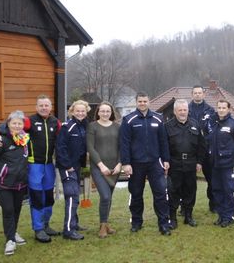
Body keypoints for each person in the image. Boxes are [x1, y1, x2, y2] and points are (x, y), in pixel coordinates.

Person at [0, 95, 61, 243]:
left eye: (46, 105)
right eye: (41, 105)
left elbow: (64, 136)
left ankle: (46, 224)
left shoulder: (56, 122)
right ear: (36, 107)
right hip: (34, 165)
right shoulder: (30, 121)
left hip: (49, 165)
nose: (44, 108)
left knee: (49, 197)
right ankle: (38, 229)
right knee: (36, 197)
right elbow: (10, 125)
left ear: (50, 107)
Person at [120, 92, 172, 235]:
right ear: (136, 102)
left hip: (155, 163)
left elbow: (163, 141)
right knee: (136, 194)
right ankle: (136, 222)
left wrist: (166, 159)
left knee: (161, 193)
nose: (142, 103)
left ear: (149, 102)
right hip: (136, 164)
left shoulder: (158, 118)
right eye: (140, 101)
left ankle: (163, 224)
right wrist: (126, 163)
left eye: (145, 101)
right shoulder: (128, 120)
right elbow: (124, 143)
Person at [0, 110, 30, 256]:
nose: (16, 126)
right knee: (8, 210)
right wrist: (1, 171)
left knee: (16, 209)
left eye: (19, 123)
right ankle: (10, 241)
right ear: (8, 124)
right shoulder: (1, 140)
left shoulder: (24, 139)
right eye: (14, 123)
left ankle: (13, 233)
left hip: (20, 183)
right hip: (3, 183)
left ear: (23, 125)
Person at [165, 99, 205, 229]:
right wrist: (166, 162)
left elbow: (201, 145)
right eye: (180, 110)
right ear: (175, 111)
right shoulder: (167, 126)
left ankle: (188, 216)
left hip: (191, 163)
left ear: (188, 110)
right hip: (174, 163)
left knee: (190, 190)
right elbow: (164, 147)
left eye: (185, 110)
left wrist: (199, 162)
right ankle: (173, 218)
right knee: (173, 191)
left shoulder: (195, 124)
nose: (183, 112)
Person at [206, 99, 234, 227]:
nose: (221, 110)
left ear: (228, 109)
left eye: (224, 108)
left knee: (228, 190)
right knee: (217, 190)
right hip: (215, 163)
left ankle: (229, 216)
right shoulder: (213, 122)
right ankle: (221, 215)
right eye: (219, 107)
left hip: (229, 163)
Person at [55, 100, 90, 240]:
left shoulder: (85, 126)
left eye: (83, 111)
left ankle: (74, 224)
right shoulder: (67, 126)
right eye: (77, 111)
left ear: (86, 112)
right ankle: (68, 230)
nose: (80, 113)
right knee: (72, 196)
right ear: (72, 112)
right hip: (67, 166)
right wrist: (67, 165)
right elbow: (60, 147)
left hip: (77, 166)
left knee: (75, 195)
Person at [87, 102, 121, 238]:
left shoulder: (118, 127)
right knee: (105, 196)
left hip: (114, 168)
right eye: (103, 111)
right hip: (99, 167)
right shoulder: (92, 126)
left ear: (111, 113)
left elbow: (121, 147)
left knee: (109, 197)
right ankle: (102, 226)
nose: (105, 113)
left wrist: (119, 164)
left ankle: (106, 224)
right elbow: (90, 147)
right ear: (98, 112)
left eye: (108, 111)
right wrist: (101, 165)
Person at [188, 85, 216, 212]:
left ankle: (213, 203)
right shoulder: (186, 109)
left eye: (200, 93)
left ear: (204, 94)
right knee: (188, 181)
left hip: (207, 150)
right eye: (195, 93)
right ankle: (186, 206)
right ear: (192, 94)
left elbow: (214, 130)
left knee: (211, 178)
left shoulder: (210, 110)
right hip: (190, 150)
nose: (198, 95)